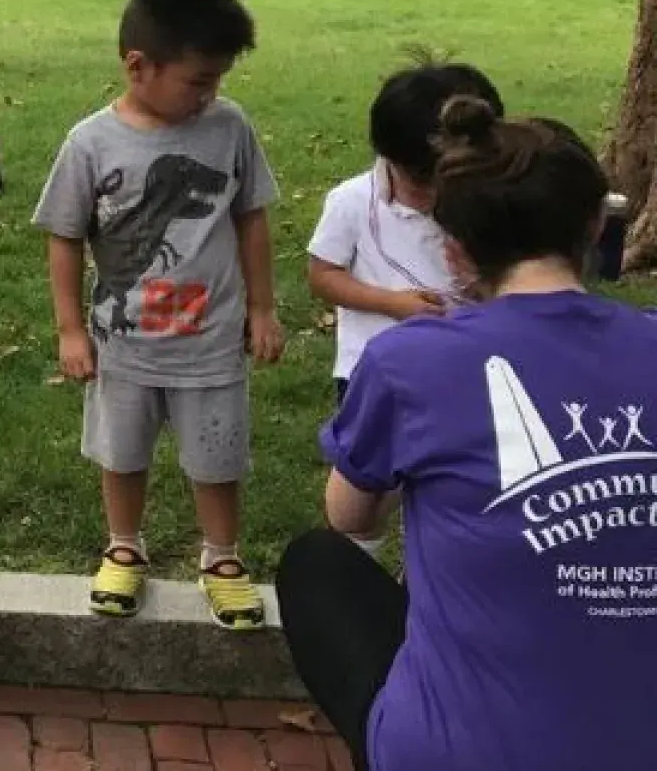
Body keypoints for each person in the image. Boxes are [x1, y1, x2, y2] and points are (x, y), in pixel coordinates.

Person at [278, 96, 657, 771]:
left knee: (316, 563)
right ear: (596, 222)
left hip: (458, 753)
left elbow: (347, 515)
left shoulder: (411, 361)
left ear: (453, 252)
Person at [33, 0, 284, 630]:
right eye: (199, 80)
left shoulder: (230, 128)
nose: (211, 94)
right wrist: (69, 329)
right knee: (123, 450)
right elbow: (63, 236)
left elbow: (252, 218)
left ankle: (223, 557)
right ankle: (124, 544)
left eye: (219, 79)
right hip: (125, 344)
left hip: (212, 340)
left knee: (217, 451)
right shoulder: (89, 143)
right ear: (138, 65)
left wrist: (262, 308)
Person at [307, 61, 504, 553]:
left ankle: (428, 568)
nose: (436, 194)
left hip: (468, 370)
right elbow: (323, 275)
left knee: (449, 481)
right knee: (367, 489)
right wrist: (392, 304)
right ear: (390, 159)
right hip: (374, 374)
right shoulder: (352, 202)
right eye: (424, 181)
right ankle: (359, 568)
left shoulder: (485, 206)